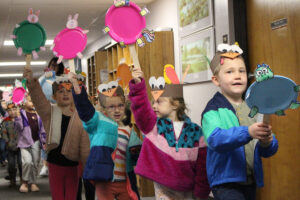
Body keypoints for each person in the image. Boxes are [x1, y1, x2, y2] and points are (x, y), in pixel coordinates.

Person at [201, 43, 279, 200]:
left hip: (250, 181)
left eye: (241, 71)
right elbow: (215, 139)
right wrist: (248, 132)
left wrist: (267, 141)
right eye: (229, 72)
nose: (237, 76)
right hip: (225, 183)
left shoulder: (253, 107)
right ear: (216, 80)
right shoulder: (212, 110)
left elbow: (265, 150)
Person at [129, 67, 210, 199]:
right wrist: (138, 86)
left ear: (175, 104)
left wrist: (201, 192)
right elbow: (142, 110)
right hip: (164, 188)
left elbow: (203, 166)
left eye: (159, 102)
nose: (154, 106)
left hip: (188, 189)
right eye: (153, 102)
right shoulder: (154, 126)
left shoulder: (195, 131)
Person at [69, 73, 142, 200]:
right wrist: (76, 87)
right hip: (104, 179)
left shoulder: (129, 131)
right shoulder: (97, 121)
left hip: (125, 180)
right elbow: (85, 110)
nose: (117, 110)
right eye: (111, 107)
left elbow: (137, 156)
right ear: (103, 108)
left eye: (120, 105)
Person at [23, 68, 90, 200]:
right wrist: (31, 82)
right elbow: (38, 99)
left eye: (69, 91)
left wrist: (87, 166)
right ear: (53, 96)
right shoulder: (50, 112)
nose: (65, 94)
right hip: (54, 164)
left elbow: (85, 145)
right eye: (60, 91)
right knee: (58, 196)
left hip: (73, 165)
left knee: (71, 196)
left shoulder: (79, 116)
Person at [14, 95, 46, 192]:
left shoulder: (38, 114)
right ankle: (25, 182)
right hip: (24, 142)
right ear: (24, 103)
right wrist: (18, 117)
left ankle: (33, 182)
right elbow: (18, 128)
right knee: (27, 162)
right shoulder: (22, 114)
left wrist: (44, 141)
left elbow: (42, 129)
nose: (33, 103)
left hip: (36, 141)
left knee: (35, 163)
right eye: (30, 101)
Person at [1, 102, 22, 187]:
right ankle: (12, 178)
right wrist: (7, 141)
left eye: (14, 109)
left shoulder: (21, 119)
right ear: (7, 112)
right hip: (10, 146)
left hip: (21, 145)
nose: (12, 112)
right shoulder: (5, 121)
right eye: (9, 110)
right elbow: (3, 132)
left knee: (21, 162)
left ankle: (22, 177)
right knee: (11, 164)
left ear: (17, 110)